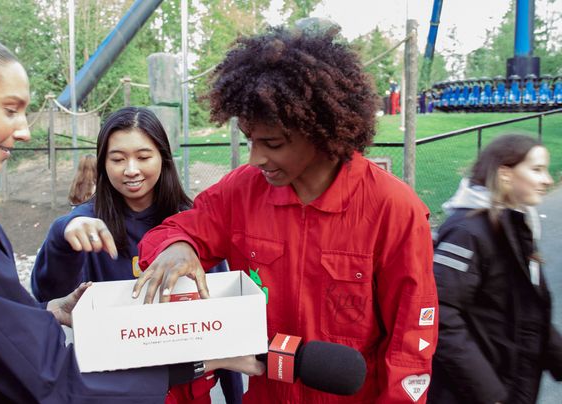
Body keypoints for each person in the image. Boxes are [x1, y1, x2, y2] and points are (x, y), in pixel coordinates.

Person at [0, 30, 262, 403]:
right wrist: (197, 360)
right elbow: (51, 378)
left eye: (143, 156)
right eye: (10, 109)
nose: (24, 130)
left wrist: (39, 316)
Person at [133, 27, 438, 403]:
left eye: (272, 143)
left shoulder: (394, 208)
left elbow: (411, 343)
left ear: (320, 130)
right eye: (250, 140)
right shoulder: (241, 190)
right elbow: (178, 230)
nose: (255, 158)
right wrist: (178, 245)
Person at [32, 106, 243, 404]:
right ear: (103, 163)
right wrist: (60, 236)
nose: (131, 169)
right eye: (117, 159)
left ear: (163, 158)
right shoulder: (86, 226)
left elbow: (222, 318)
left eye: (143, 157)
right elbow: (49, 297)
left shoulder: (192, 224)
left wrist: (236, 398)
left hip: (188, 387)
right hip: (116, 386)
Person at [429, 134, 562, 404]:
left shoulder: (516, 224)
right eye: (536, 170)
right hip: (470, 394)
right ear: (505, 174)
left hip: (509, 385)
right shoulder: (467, 231)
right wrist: (490, 395)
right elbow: (440, 315)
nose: (547, 180)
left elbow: (530, 314)